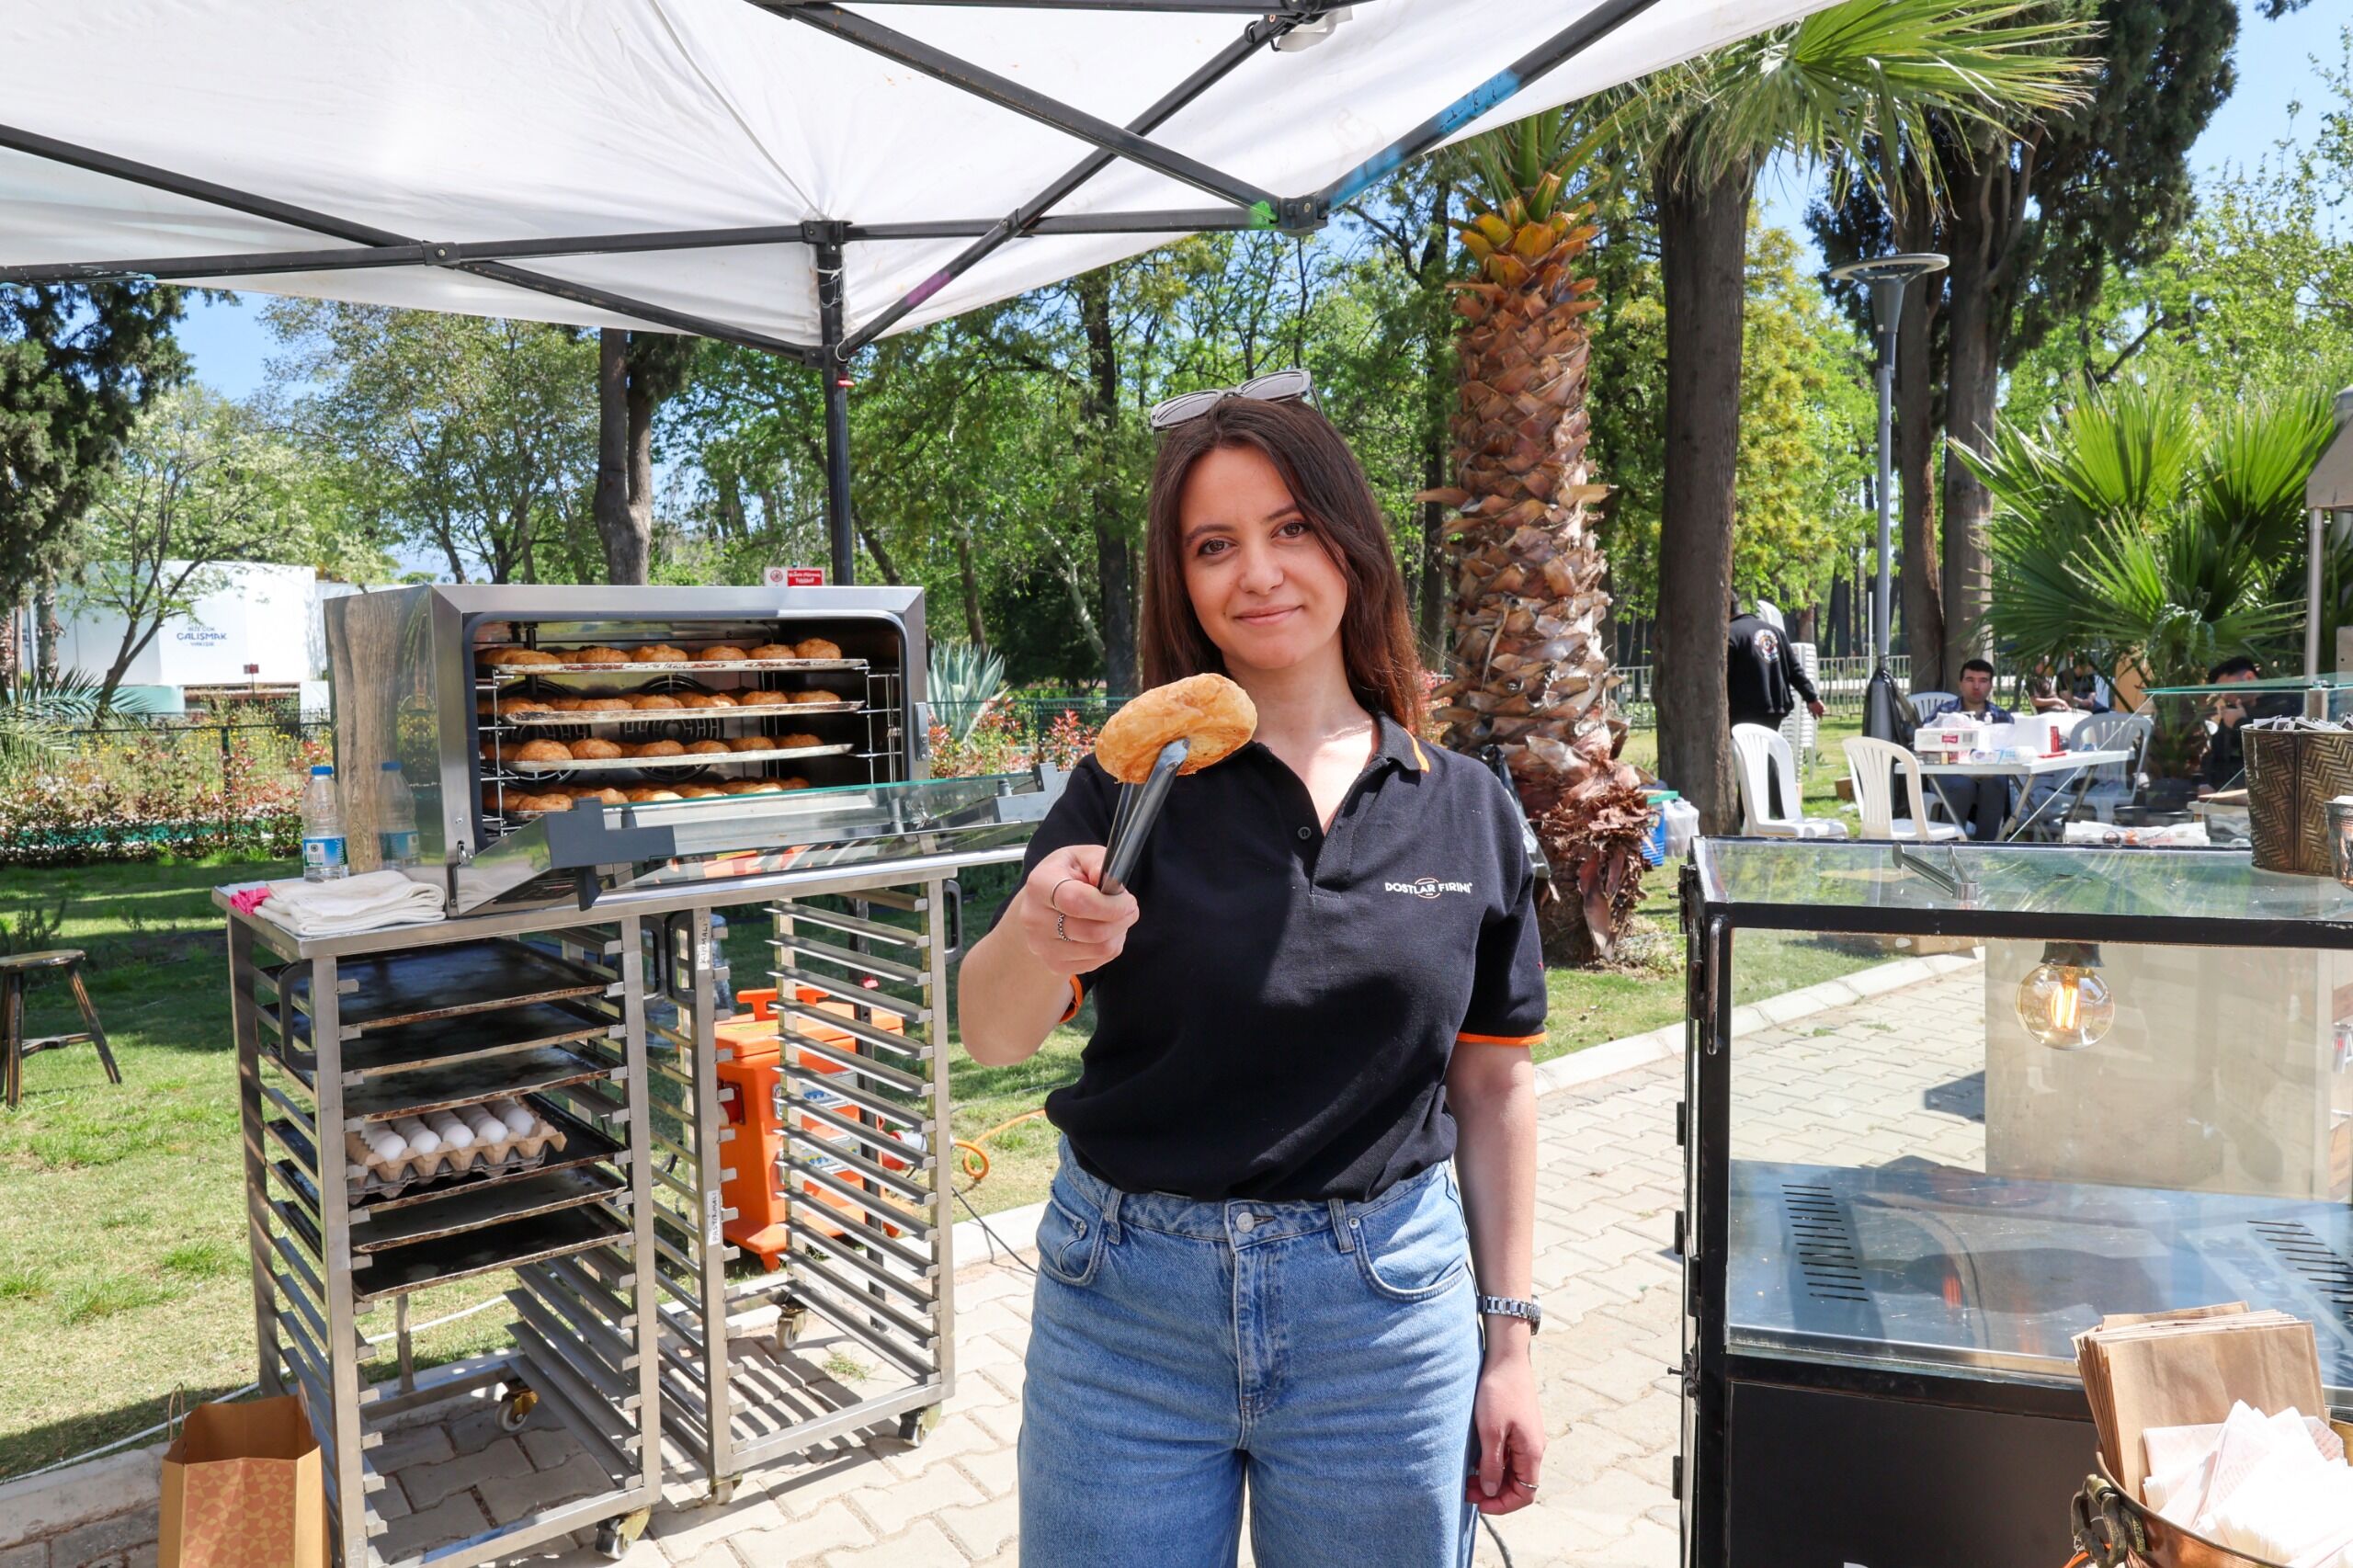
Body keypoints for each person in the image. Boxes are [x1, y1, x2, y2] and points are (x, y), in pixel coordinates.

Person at [957, 383, 1545, 1568]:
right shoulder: (1127, 787)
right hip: (1124, 1313)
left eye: (1290, 528)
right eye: (1214, 546)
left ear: (1349, 544)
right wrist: (1034, 935)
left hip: (1382, 1318)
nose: (1259, 572)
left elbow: (1492, 1089)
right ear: (1181, 583)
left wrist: (1511, 1341)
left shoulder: (1465, 806)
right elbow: (990, 1035)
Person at [1727, 597, 1824, 816]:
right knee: (1758, 760)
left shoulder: (1731, 634)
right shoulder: (1773, 632)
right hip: (1775, 707)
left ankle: (1782, 812)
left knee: (1756, 762)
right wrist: (1811, 697)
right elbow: (1794, 669)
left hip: (1744, 709)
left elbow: (1724, 676)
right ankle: (1752, 813)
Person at [1925, 658, 2016, 840]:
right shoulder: (1944, 713)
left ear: (1991, 685)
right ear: (1960, 684)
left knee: (1997, 782)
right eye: (1970, 680)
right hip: (1949, 771)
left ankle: (1985, 845)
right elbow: (1924, 742)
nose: (1976, 686)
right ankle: (1948, 844)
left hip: (1989, 772)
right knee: (1962, 786)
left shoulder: (2002, 717)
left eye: (1983, 681)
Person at [2196, 654, 2290, 797]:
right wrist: (2206, 783)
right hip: (2230, 790)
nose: (2224, 696)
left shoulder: (2284, 703)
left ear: (2249, 677)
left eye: (2227, 688)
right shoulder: (2233, 708)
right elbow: (2218, 754)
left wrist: (2238, 723)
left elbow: (2274, 750)